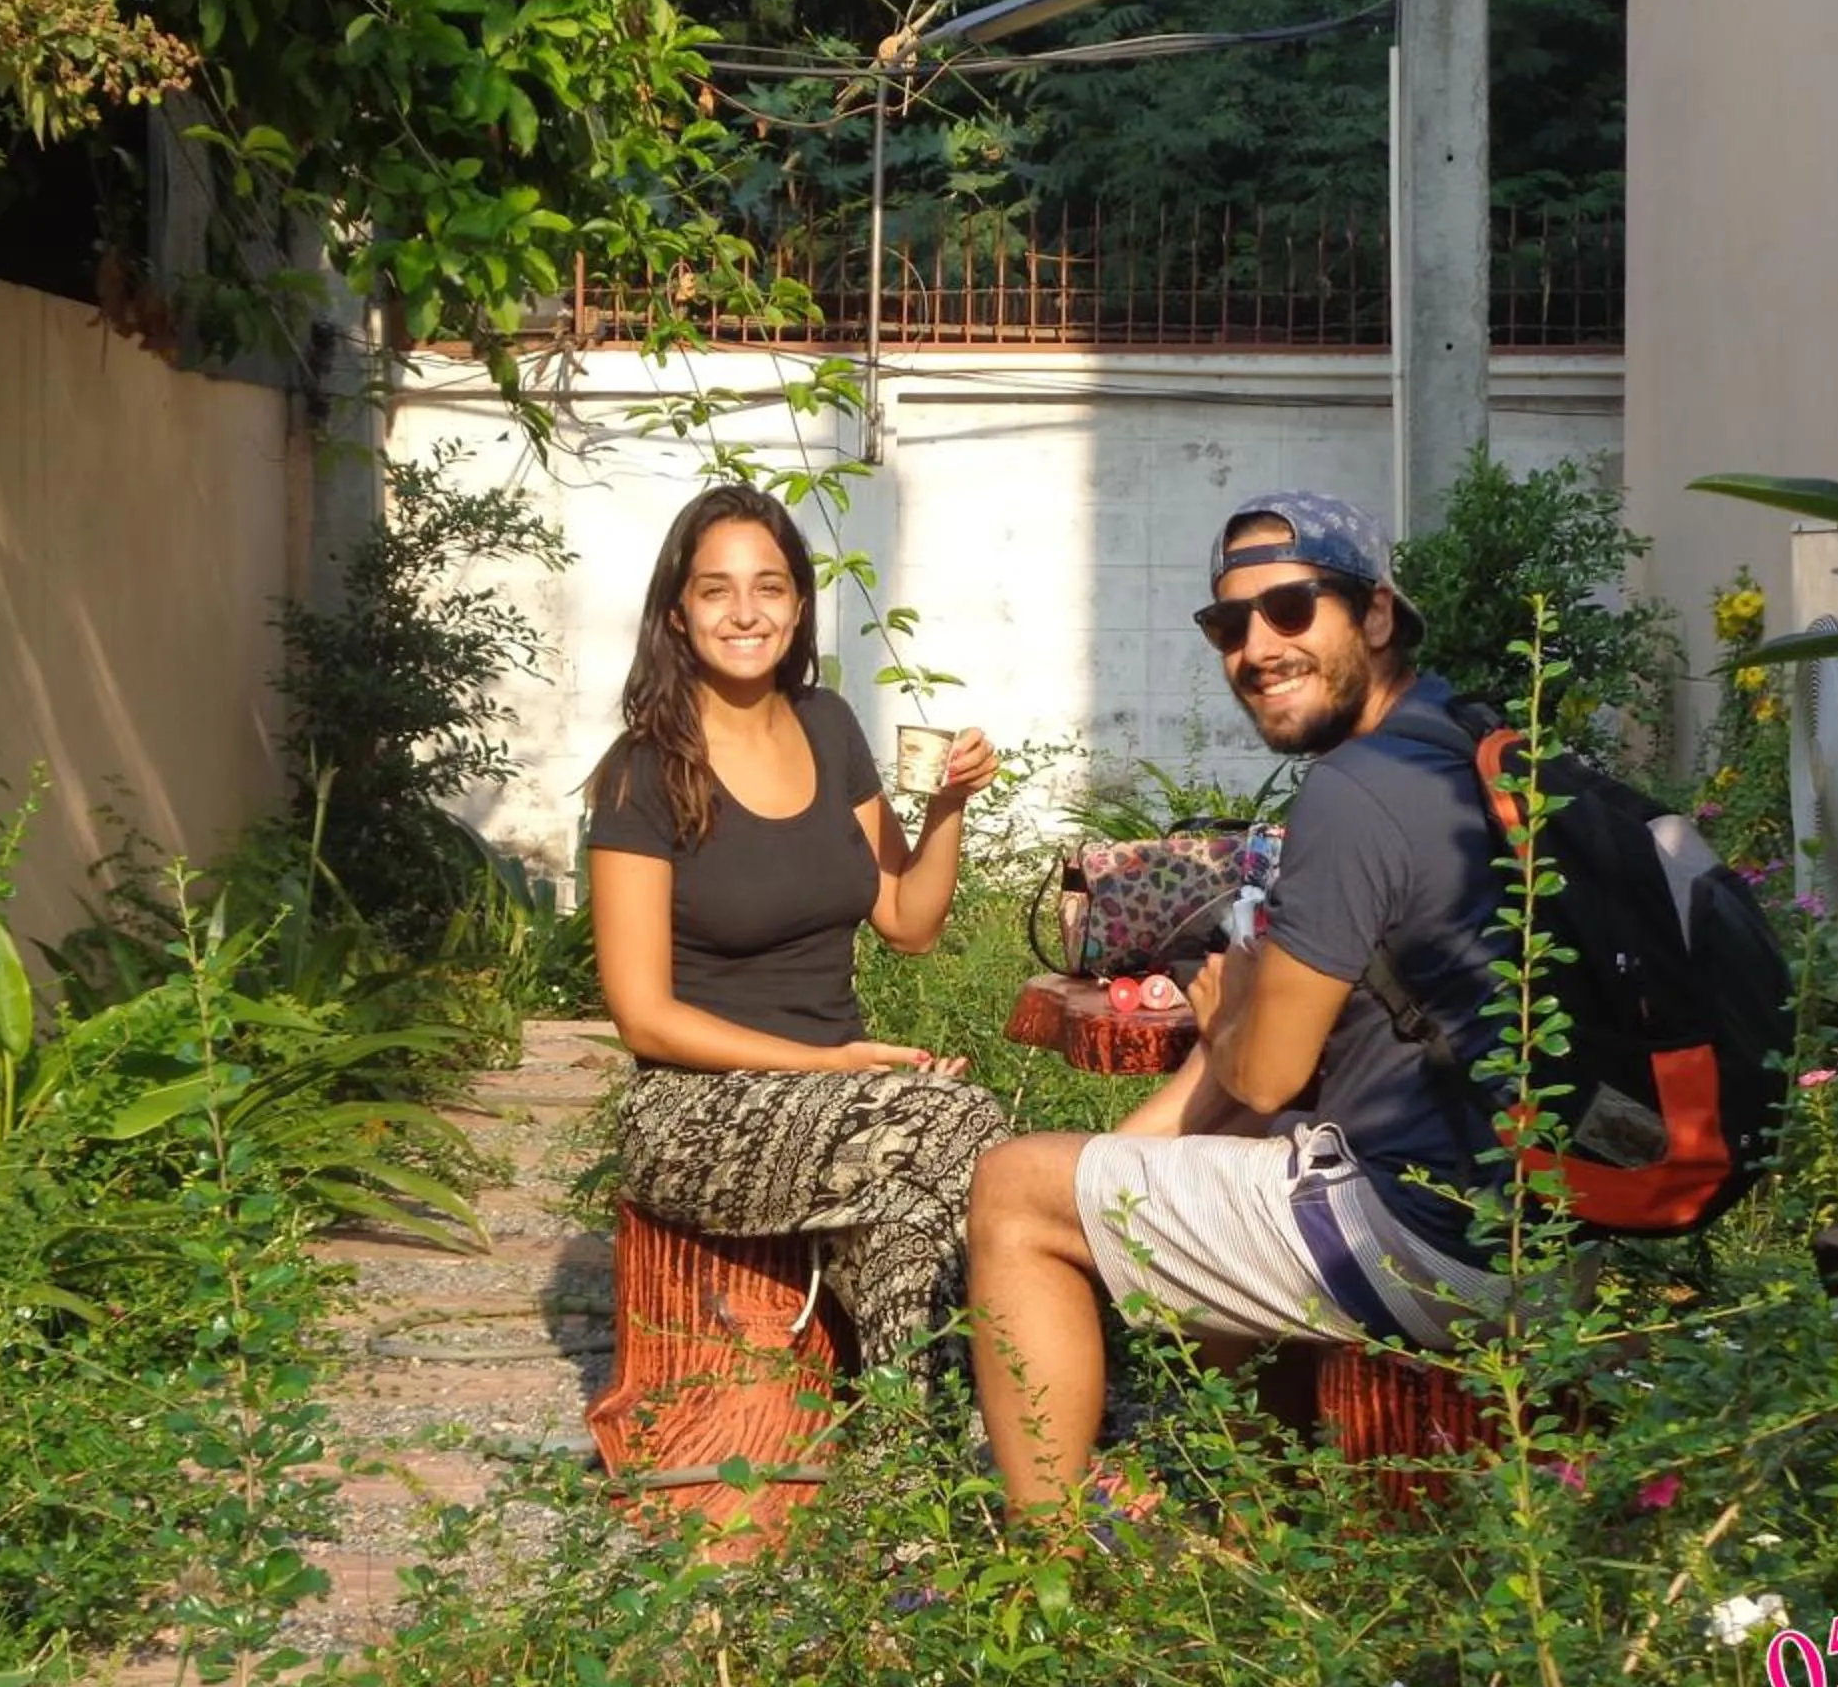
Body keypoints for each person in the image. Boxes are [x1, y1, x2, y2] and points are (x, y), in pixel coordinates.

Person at [968, 490, 1541, 1524]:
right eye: (1230, 624)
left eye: (1291, 608)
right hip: (1545, 1220)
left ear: (1373, 614)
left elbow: (1263, 1068)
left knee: (1012, 1192)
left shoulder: (1355, 792)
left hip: (1442, 1242)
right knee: (1226, 1158)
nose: (1256, 647)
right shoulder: (1463, 733)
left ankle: (1044, 1572)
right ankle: (1260, 1512)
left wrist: (1228, 1015)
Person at [585, 483, 1007, 1378]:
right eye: (716, 590)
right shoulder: (643, 773)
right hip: (694, 1110)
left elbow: (908, 922)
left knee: (914, 1211)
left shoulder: (829, 725)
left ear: (800, 603)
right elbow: (643, 1018)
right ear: (677, 614)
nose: (746, 612)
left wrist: (948, 809)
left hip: (845, 1095)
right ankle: (975, 1449)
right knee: (959, 1131)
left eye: (769, 587)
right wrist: (835, 1066)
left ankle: (907, 1462)